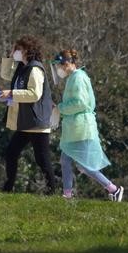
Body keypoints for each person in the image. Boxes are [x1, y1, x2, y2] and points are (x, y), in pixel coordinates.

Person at [51, 49, 123, 201]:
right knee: (65, 160)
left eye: (60, 65)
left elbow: (80, 103)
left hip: (81, 128)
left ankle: (114, 189)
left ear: (69, 63)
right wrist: (58, 108)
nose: (58, 69)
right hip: (75, 128)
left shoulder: (78, 77)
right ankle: (67, 195)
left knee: (84, 165)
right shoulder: (72, 78)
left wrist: (60, 108)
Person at [0, 35, 56, 193]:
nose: (16, 51)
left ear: (27, 51)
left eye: (18, 49)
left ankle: (53, 191)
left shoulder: (35, 69)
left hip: (36, 123)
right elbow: (5, 75)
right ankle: (8, 186)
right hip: (25, 122)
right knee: (11, 152)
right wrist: (9, 56)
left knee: (42, 159)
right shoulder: (22, 68)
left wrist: (12, 93)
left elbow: (34, 94)